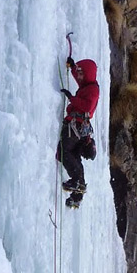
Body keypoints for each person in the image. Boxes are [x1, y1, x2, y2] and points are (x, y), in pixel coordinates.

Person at [57, 57, 99, 208]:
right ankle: (78, 192)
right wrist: (73, 66)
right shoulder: (88, 85)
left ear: (88, 74)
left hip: (75, 125)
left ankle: (76, 181)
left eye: (82, 73)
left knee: (63, 152)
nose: (79, 76)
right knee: (73, 155)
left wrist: (72, 99)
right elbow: (80, 78)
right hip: (80, 127)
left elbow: (87, 106)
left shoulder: (93, 90)